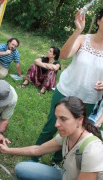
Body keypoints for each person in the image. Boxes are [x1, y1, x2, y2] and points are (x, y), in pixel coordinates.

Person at [30, 8, 103, 164]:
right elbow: (63, 55)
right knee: (51, 125)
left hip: (88, 99)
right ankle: (34, 157)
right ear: (98, 20)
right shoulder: (84, 39)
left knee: (73, 132)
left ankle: (58, 161)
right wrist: (77, 30)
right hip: (66, 91)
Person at [0, 96, 103, 180]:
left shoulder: (92, 151)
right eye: (57, 118)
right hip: (66, 176)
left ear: (79, 120)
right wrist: (8, 150)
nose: (56, 124)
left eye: (63, 119)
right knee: (22, 168)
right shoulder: (66, 135)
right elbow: (37, 150)